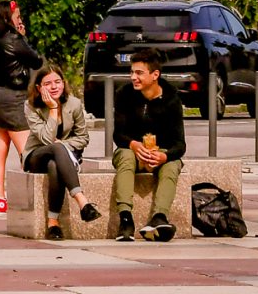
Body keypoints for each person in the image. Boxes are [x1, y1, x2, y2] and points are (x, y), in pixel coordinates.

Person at [112, 46, 186, 242]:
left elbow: (180, 145)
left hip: (159, 154)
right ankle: (125, 218)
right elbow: (118, 135)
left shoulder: (171, 98)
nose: (133, 77)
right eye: (132, 72)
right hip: (132, 150)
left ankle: (159, 217)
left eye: (139, 73)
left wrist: (164, 156)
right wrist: (134, 145)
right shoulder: (124, 94)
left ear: (155, 75)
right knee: (125, 155)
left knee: (173, 164)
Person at [22, 63, 102, 239]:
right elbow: (45, 139)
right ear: (38, 87)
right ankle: (82, 201)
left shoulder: (74, 104)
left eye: (57, 82)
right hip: (36, 155)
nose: (54, 87)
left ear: (63, 83)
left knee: (54, 165)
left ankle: (53, 224)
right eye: (47, 83)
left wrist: (64, 144)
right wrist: (52, 109)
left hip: (61, 158)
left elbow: (83, 138)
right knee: (55, 149)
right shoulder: (31, 106)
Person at [0, 0, 43, 216]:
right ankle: (31, 197)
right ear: (8, 18)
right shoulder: (15, 39)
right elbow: (36, 61)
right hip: (12, 96)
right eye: (17, 16)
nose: (20, 19)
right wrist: (23, 37)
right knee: (26, 149)